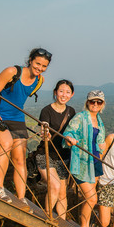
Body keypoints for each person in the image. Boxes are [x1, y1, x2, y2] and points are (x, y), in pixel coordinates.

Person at [0, 48, 50, 203]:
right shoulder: (12, 72)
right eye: (37, 64)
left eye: (44, 66)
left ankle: (21, 198)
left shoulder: (39, 80)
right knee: (6, 144)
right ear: (30, 60)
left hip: (17, 119)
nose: (40, 68)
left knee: (20, 158)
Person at [63, 90, 107, 227]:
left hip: (94, 161)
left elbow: (100, 142)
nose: (95, 104)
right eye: (92, 101)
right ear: (87, 102)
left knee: (89, 198)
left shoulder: (99, 120)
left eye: (98, 102)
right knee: (92, 198)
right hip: (82, 161)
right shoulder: (80, 117)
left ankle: (87, 226)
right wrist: (70, 138)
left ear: (102, 105)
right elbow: (69, 132)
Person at [34, 79, 76, 219]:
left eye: (67, 92)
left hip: (63, 156)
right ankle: (48, 218)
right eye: (61, 91)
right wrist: (45, 133)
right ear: (55, 92)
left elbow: (74, 131)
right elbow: (44, 125)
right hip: (46, 153)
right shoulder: (47, 110)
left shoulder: (71, 111)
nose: (64, 95)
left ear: (72, 94)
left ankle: (62, 223)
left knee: (63, 194)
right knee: (55, 186)